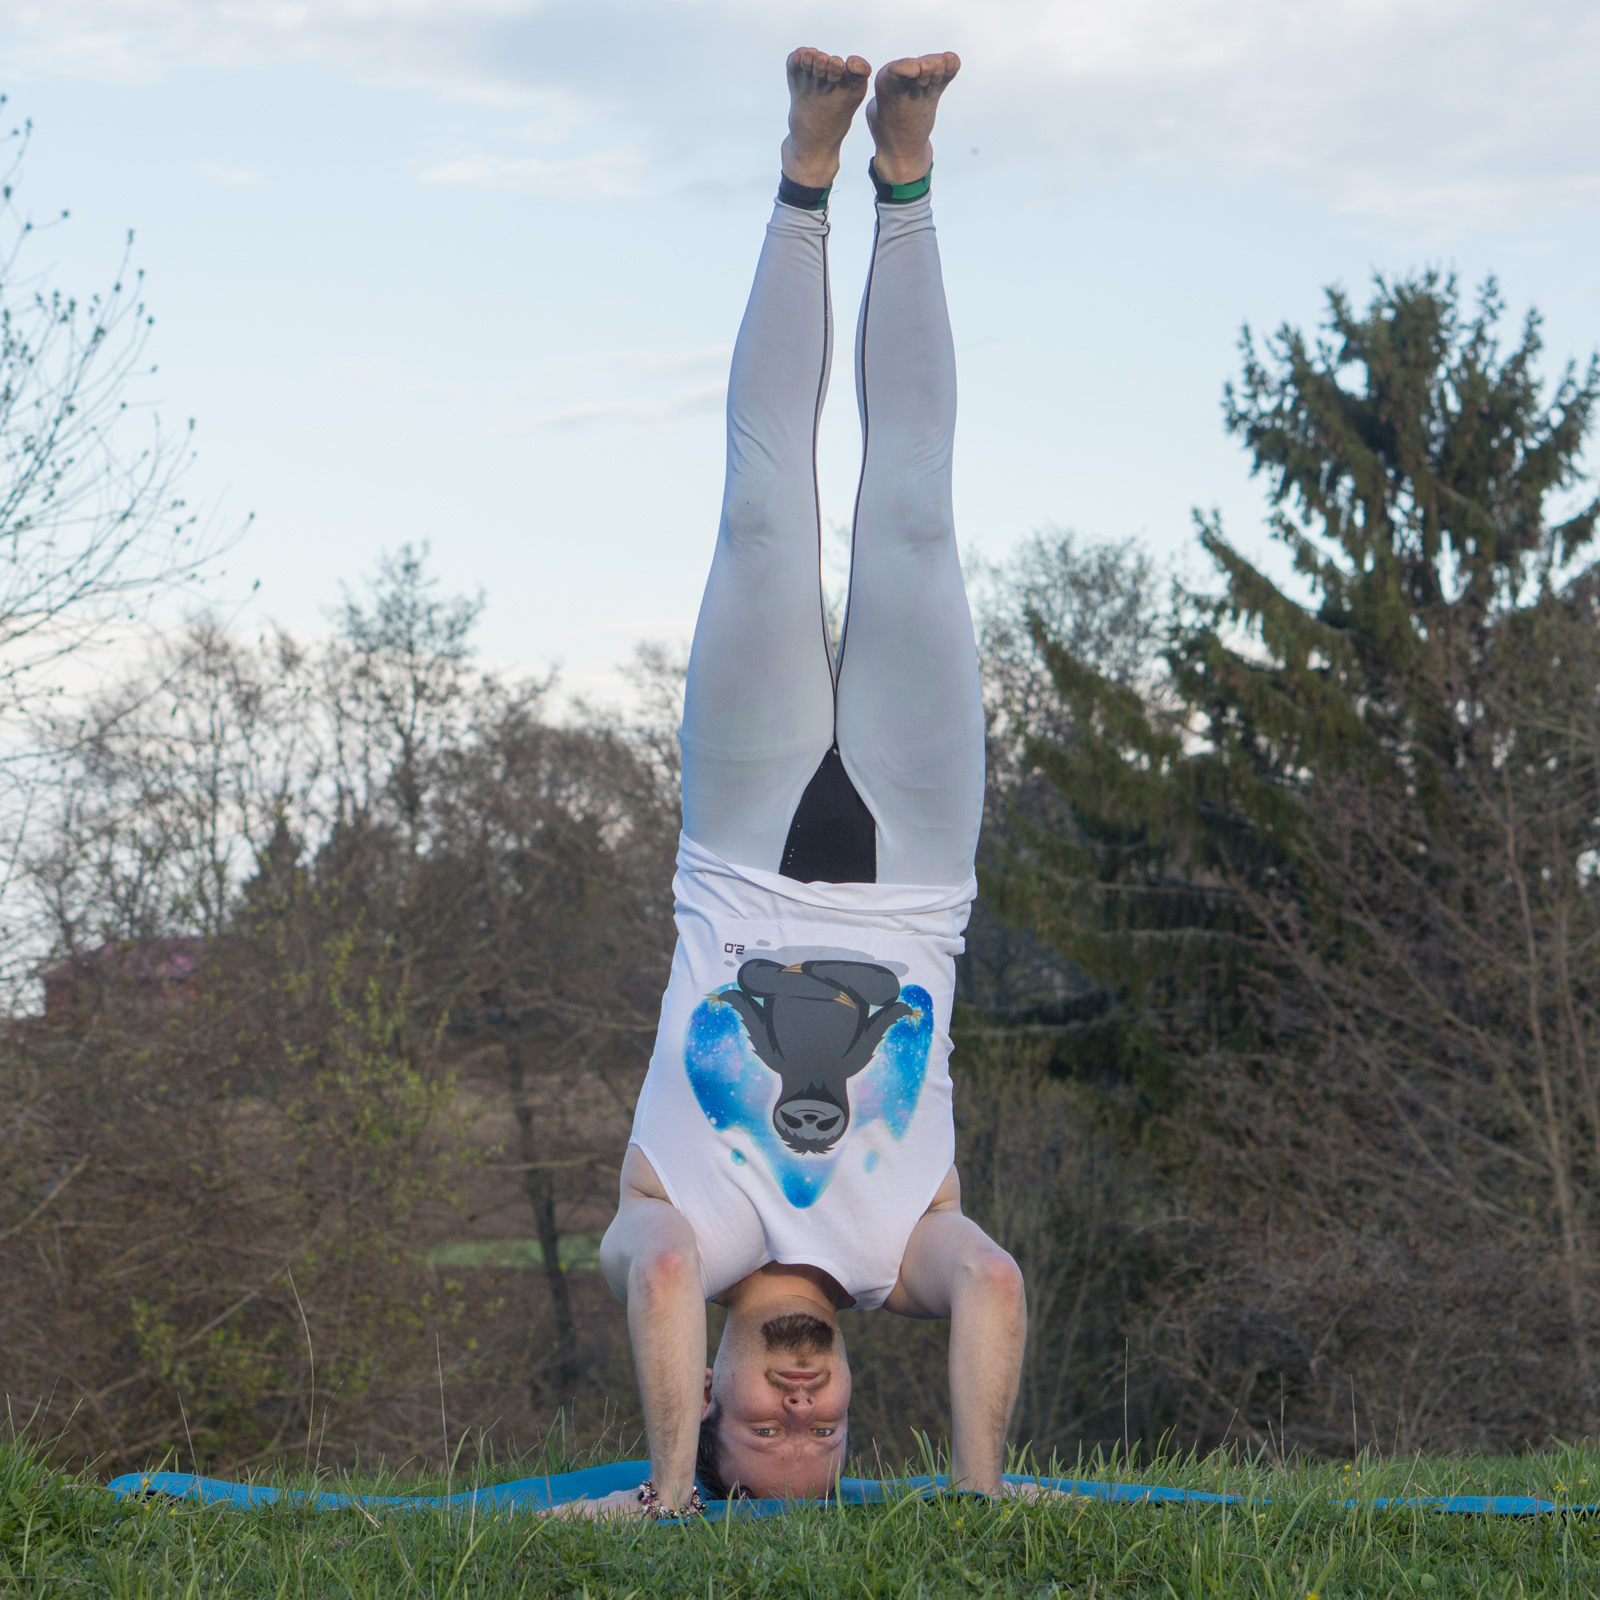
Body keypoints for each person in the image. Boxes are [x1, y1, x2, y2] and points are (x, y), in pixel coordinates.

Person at [593, 46, 1026, 1519]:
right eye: (824, 1440)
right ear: (852, 1402)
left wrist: (668, 1496)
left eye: (758, 1438)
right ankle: (906, 173)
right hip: (919, 860)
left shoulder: (675, 1228)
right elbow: (996, 1288)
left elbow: (659, 1276)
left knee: (765, 518)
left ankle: (804, 171)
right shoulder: (906, 1256)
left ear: (706, 1392)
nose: (797, 1413)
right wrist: (978, 1493)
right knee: (912, 518)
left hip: (741, 836)